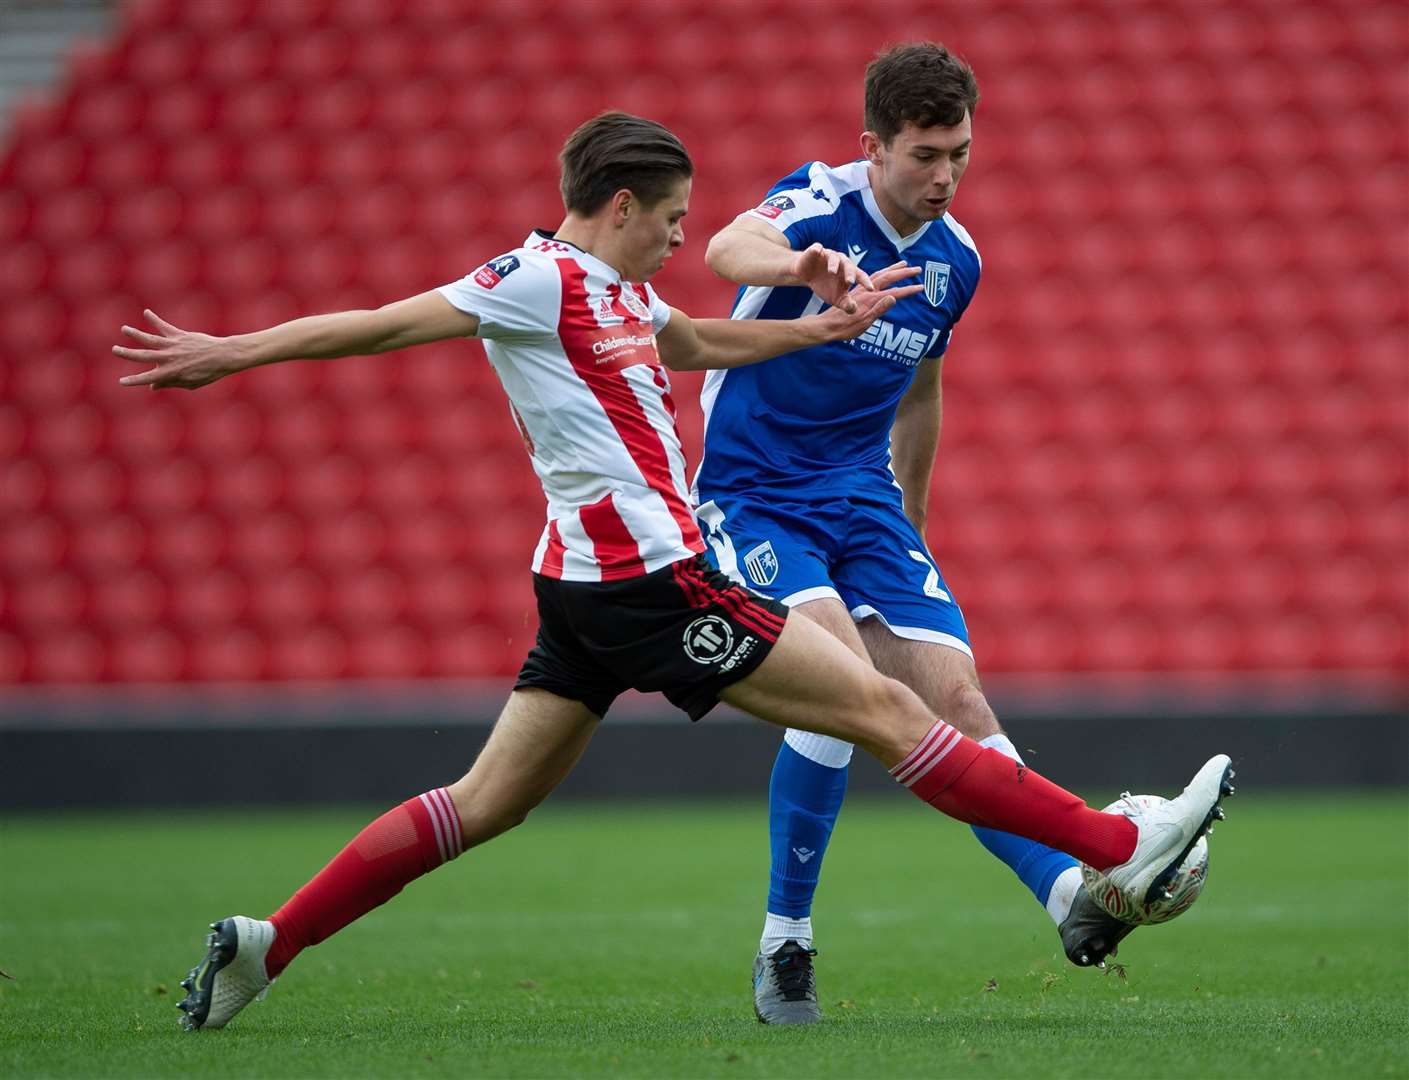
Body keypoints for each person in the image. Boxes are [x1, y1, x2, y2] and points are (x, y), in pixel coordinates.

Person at [113, 111, 1232, 1033]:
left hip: (581, 590)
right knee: (887, 712)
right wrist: (232, 352)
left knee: (481, 803)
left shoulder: (620, 295)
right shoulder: (533, 281)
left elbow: (698, 340)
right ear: (617, 209)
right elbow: (377, 324)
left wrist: (821, 328)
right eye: (668, 221)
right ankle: (1117, 846)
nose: (675, 238)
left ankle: (268, 947)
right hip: (652, 581)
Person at [699, 44, 1144, 1024]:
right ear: (873, 148)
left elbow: (922, 391)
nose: (943, 175)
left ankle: (1067, 899)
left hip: (863, 500)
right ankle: (785, 942)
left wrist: (913, 514)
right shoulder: (816, 203)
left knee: (955, 696)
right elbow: (723, 247)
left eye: (960, 154)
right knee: (839, 693)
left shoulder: (956, 261)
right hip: (757, 492)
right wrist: (797, 267)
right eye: (924, 155)